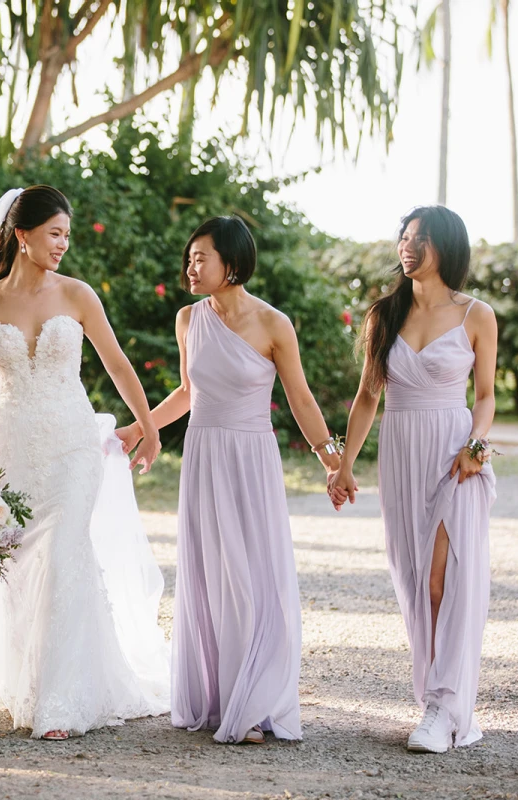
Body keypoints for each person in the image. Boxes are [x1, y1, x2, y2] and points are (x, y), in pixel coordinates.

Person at [117, 215, 340, 744]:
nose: (191, 267)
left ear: (232, 263)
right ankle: (222, 697)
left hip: (251, 458)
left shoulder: (273, 324)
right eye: (190, 258)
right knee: (212, 573)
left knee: (252, 574)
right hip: (204, 453)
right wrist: (139, 427)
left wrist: (331, 457)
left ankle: (257, 702)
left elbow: (300, 398)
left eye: (202, 258)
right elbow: (188, 391)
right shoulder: (188, 319)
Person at [0, 186, 170, 740]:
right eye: (54, 233)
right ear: (21, 235)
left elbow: (119, 365)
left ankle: (61, 701)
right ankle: (30, 676)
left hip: (74, 443)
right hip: (12, 446)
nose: (63, 244)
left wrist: (148, 428)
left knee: (65, 549)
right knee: (28, 562)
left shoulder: (77, 295)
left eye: (67, 235)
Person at [329, 206, 498, 753]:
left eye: (419, 239)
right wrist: (345, 464)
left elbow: (487, 396)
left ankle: (442, 707)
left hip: (454, 455)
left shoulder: (477, 315)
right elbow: (367, 398)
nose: (407, 247)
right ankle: (434, 697)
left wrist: (476, 447)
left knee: (441, 579)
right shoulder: (384, 314)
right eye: (403, 238)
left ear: (446, 247)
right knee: (412, 578)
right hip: (401, 454)